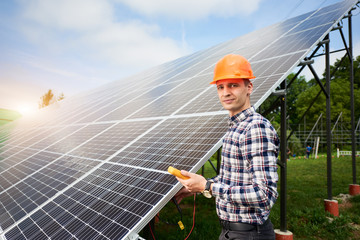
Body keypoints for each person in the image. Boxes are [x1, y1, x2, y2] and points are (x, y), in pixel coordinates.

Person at [175, 54, 279, 240]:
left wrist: (208, 186)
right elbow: (231, 178)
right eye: (220, 87)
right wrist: (196, 188)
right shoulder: (236, 127)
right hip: (232, 232)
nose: (225, 92)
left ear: (249, 87)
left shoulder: (255, 127)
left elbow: (265, 195)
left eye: (233, 85)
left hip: (249, 234)